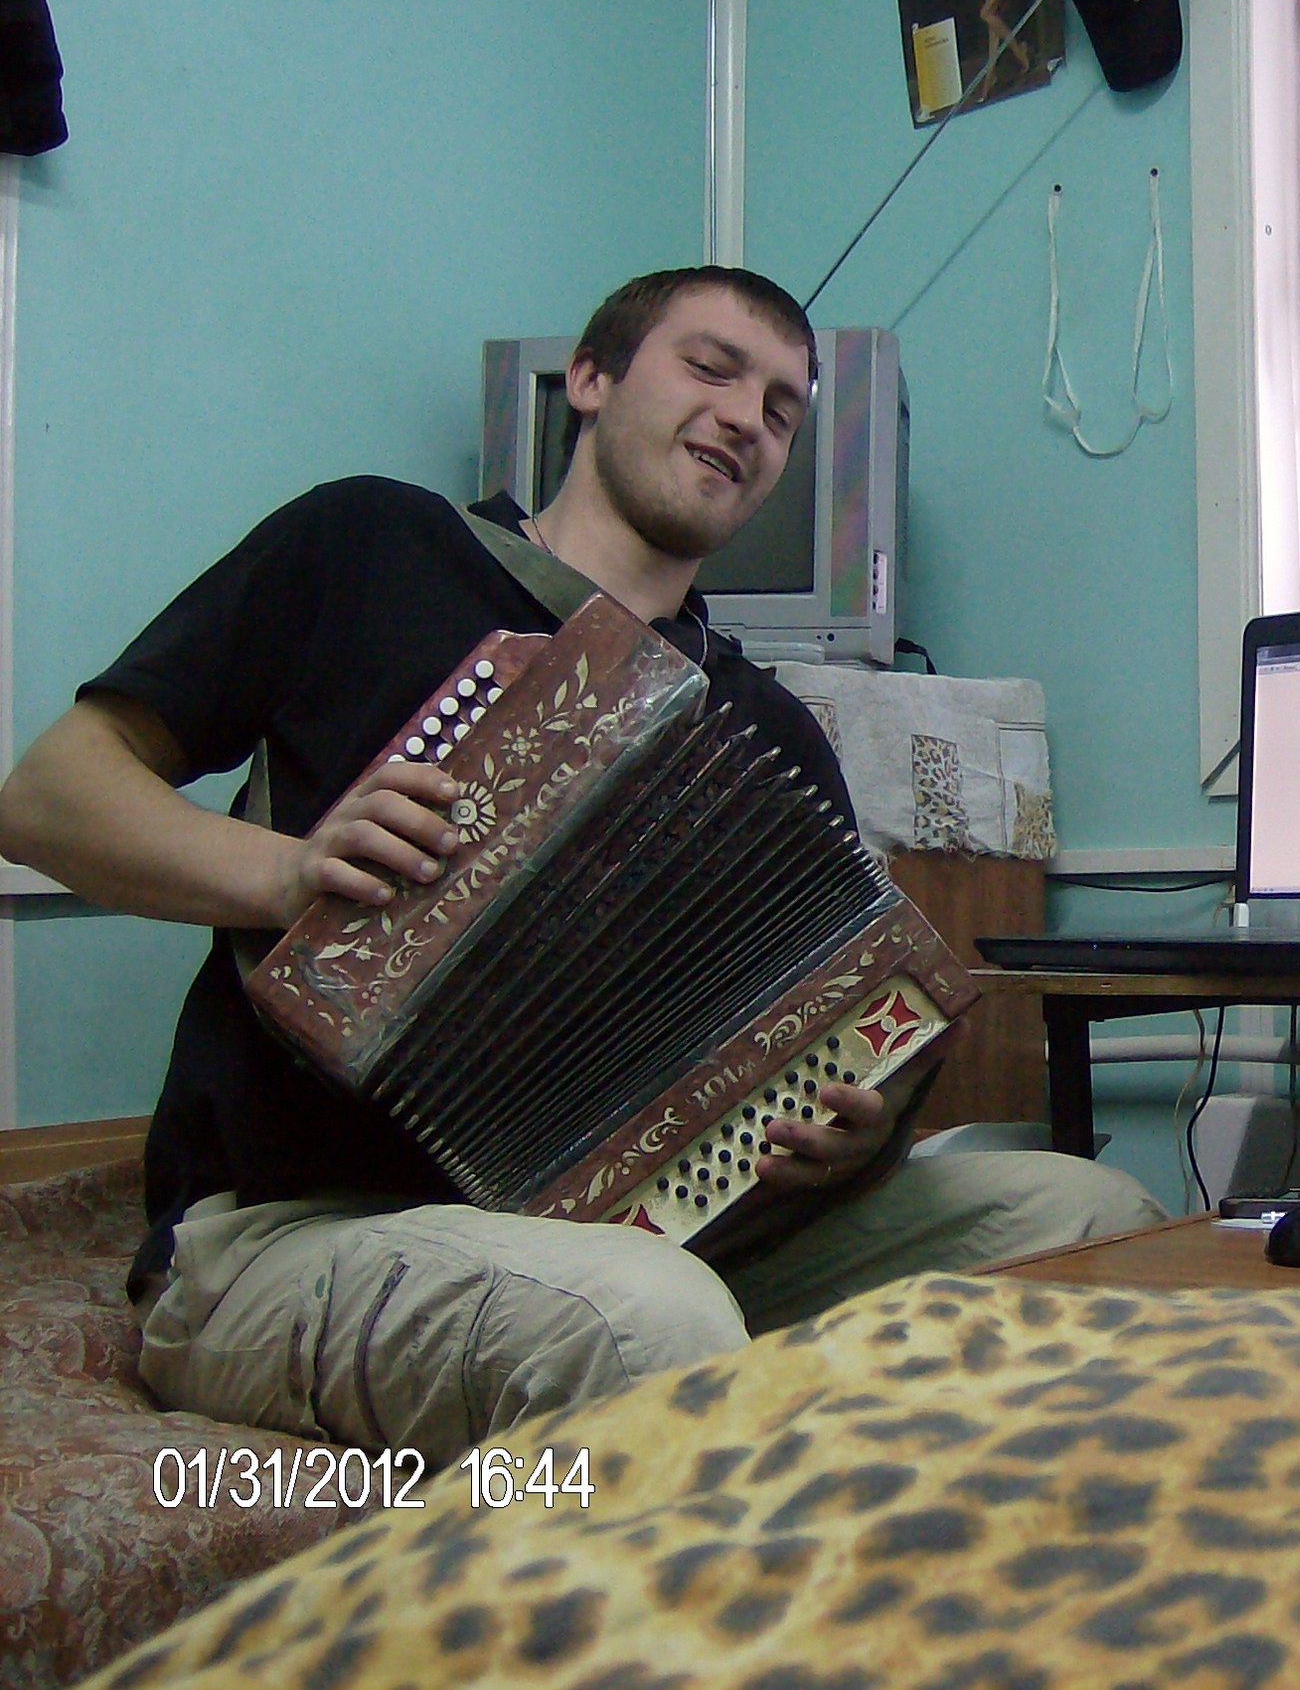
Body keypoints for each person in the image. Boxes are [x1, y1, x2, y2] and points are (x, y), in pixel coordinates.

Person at [0, 266, 1162, 1464]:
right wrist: (288, 874)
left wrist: (860, 1137)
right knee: (646, 1320)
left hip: (657, 1248)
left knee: (1092, 1222)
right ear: (592, 380)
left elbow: (858, 1016)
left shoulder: (765, 729)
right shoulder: (369, 544)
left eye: (780, 412)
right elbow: (45, 800)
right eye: (710, 368)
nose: (745, 420)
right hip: (290, 1235)